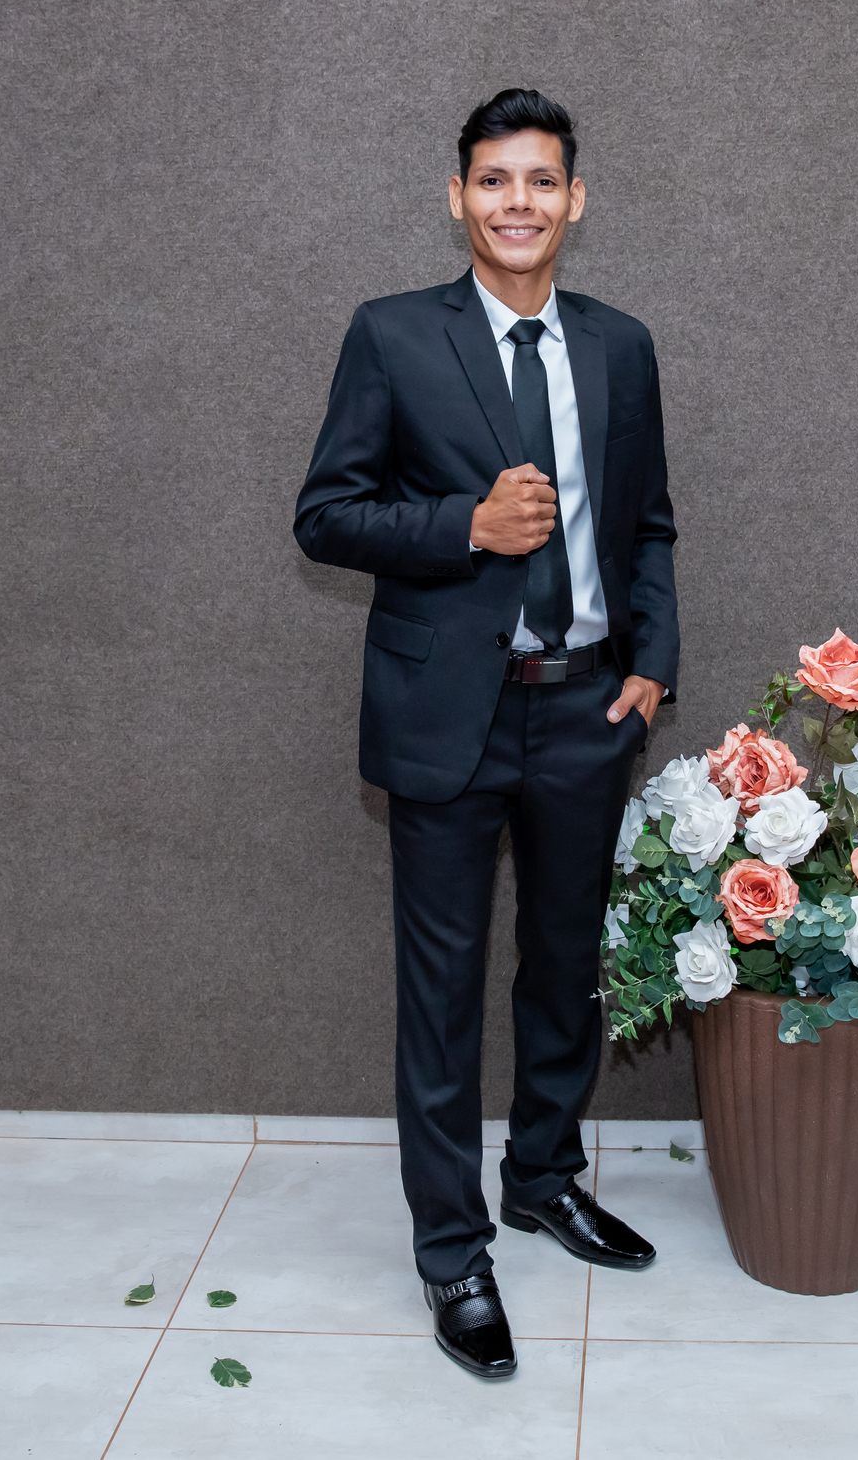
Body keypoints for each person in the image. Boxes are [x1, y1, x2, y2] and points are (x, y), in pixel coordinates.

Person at [294, 88, 679, 1379]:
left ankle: (544, 1181)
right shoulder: (393, 335)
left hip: (586, 709)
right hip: (445, 713)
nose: (520, 202)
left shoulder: (622, 346)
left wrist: (652, 665)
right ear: (457, 197)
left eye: (542, 180)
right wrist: (465, 526)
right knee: (443, 992)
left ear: (578, 199)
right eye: (495, 180)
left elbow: (650, 524)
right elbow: (326, 516)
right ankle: (453, 1253)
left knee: (565, 969)